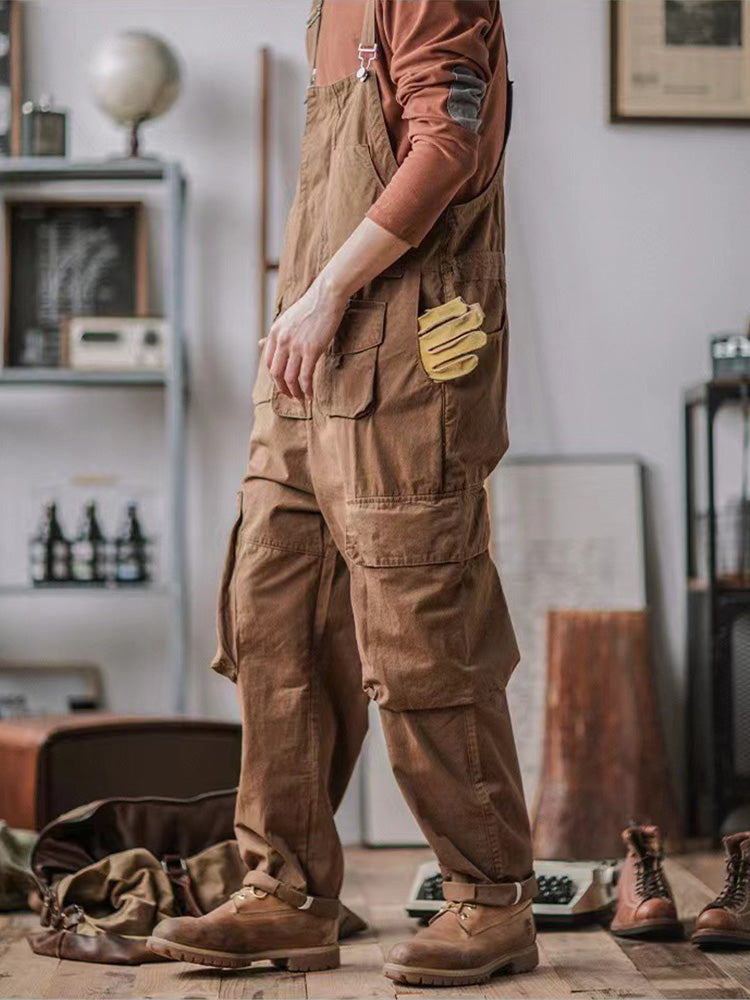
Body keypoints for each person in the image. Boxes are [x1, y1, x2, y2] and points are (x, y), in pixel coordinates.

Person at [148, 0, 537, 987]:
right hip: (306, 362)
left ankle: (490, 896)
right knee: (272, 613)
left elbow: (445, 146)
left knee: (420, 629)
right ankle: (285, 893)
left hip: (404, 363)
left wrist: (323, 295)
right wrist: (303, 310)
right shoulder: (333, 7)